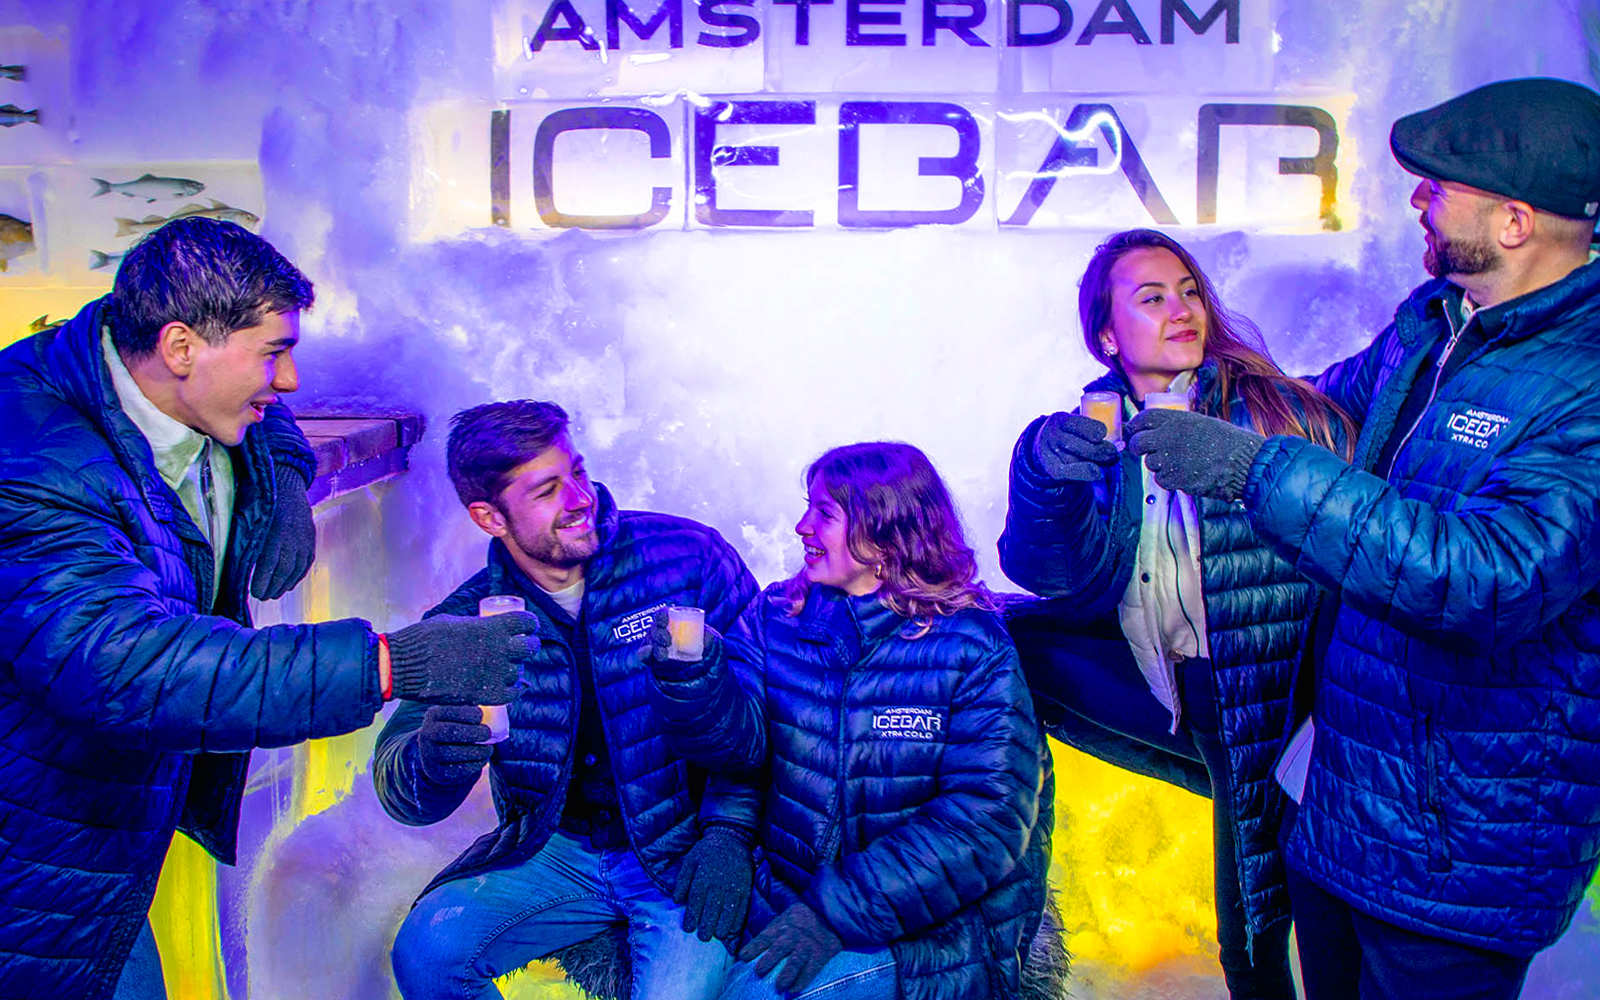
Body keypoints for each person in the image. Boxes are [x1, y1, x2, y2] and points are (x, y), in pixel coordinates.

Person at [1123, 77, 1600, 1000]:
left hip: (1458, 845)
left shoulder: (1583, 380)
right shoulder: (1434, 326)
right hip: (1345, 804)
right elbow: (1313, 417)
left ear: (1512, 223)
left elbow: (1489, 581)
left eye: (1438, 186)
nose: (1419, 199)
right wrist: (1162, 395)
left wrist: (1246, 471)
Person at [0, 217, 540, 1000]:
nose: (287, 382)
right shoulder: (31, 460)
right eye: (274, 353)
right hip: (28, 856)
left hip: (94, 841)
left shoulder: (135, 367)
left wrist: (281, 471)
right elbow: (126, 665)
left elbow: (268, 410)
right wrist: (393, 661)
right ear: (183, 347)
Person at [998, 228, 1354, 1000]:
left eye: (1189, 291)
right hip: (1174, 689)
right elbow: (1050, 576)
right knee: (993, 637)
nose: (1182, 309)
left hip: (1271, 703)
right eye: (1152, 298)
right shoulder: (1098, 431)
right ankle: (1018, 924)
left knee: (1258, 928)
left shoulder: (1275, 410)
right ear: (1105, 334)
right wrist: (1042, 475)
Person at [374, 399, 762, 1000]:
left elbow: (770, 709)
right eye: (547, 490)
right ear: (489, 517)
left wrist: (729, 835)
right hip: (555, 852)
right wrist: (434, 757)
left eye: (577, 472)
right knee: (427, 955)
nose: (580, 498)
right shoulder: (468, 620)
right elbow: (398, 782)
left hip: (678, 849)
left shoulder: (688, 559)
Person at [644, 441, 1049, 1000]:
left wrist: (836, 913)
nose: (801, 526)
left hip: (922, 930)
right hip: (787, 897)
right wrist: (694, 679)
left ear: (887, 530)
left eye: (825, 513)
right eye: (807, 507)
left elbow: (987, 820)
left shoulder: (970, 645)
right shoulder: (775, 618)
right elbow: (740, 753)